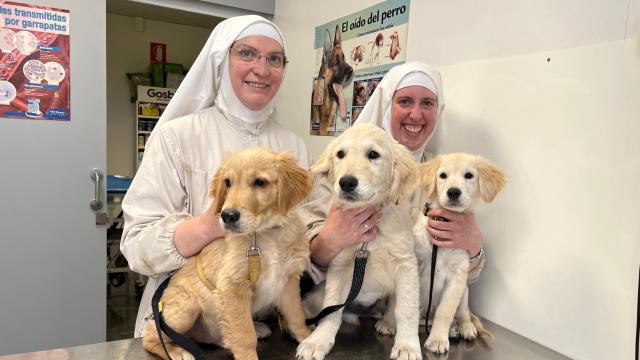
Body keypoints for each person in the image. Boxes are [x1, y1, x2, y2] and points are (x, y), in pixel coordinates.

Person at [120, 15, 312, 338]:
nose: (262, 69)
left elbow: (305, 235)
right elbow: (136, 245)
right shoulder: (176, 136)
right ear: (222, 59)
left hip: (258, 329)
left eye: (274, 59)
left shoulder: (294, 147)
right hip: (185, 327)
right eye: (247, 53)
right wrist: (206, 228)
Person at [301, 61, 485, 284]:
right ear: (387, 105)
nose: (416, 115)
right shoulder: (342, 166)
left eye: (427, 103)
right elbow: (298, 260)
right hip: (342, 307)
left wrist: (473, 246)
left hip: (406, 312)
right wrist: (327, 242)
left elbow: (461, 274)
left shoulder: (444, 175)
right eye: (405, 101)